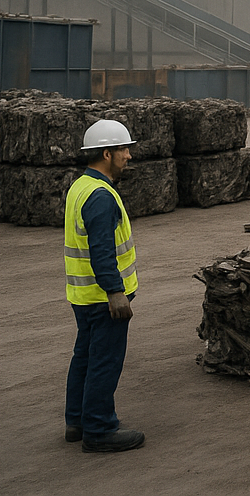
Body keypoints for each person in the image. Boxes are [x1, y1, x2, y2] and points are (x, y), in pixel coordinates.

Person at [63, 119, 145, 453]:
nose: (128, 156)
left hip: (82, 296)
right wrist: (116, 293)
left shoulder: (80, 186)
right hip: (103, 299)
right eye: (124, 150)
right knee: (103, 362)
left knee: (83, 357)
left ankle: (78, 422)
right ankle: (98, 429)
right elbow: (101, 250)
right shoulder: (100, 196)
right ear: (107, 153)